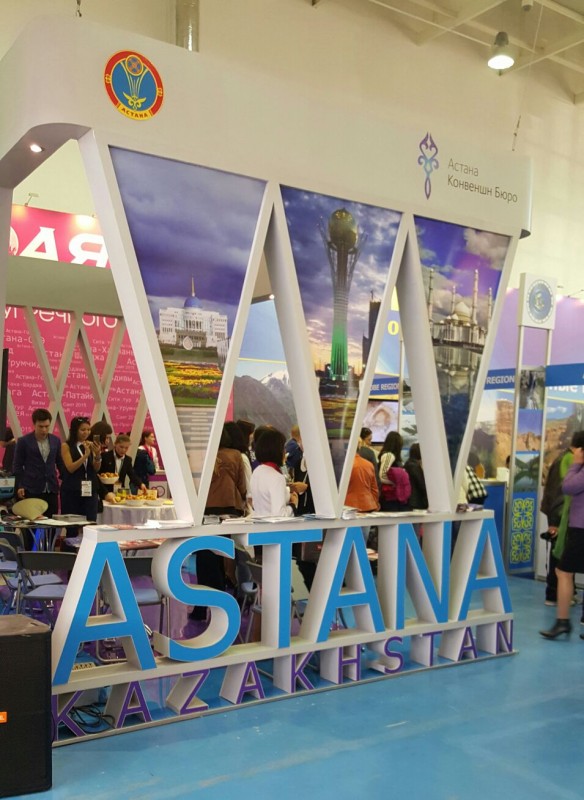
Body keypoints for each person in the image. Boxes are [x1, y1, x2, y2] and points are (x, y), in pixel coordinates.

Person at [191, 425, 248, 621]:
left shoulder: (201, 456)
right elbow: (242, 485)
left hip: (204, 511)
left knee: (204, 558)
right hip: (229, 511)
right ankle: (221, 606)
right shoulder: (235, 455)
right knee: (221, 558)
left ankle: (201, 607)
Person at [540, 430, 584, 639]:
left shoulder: (579, 467)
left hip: (581, 528)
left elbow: (568, 487)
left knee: (563, 571)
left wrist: (576, 464)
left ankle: (563, 621)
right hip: (578, 526)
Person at [12, 408, 63, 518]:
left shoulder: (56, 440)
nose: (44, 430)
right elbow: (17, 466)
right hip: (31, 488)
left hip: (51, 488)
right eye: (41, 426)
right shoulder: (24, 441)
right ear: (34, 424)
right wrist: (20, 485)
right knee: (33, 521)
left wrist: (65, 480)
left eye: (47, 426)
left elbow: (60, 463)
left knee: (52, 521)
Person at [60, 415, 102, 525]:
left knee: (90, 523)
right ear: (75, 430)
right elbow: (70, 468)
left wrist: (97, 454)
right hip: (72, 490)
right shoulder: (66, 446)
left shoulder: (90, 444)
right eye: (83, 430)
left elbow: (96, 468)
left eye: (88, 430)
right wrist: (85, 456)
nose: (86, 432)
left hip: (90, 489)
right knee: (72, 526)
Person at [250, 428, 298, 517]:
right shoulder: (276, 477)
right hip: (273, 525)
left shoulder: (257, 472)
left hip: (258, 522)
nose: (285, 451)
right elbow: (279, 515)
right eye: (283, 448)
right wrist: (293, 505)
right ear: (277, 450)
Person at [98, 434, 146, 501]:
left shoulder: (128, 460)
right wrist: (105, 493)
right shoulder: (105, 456)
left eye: (126, 448)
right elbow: (98, 476)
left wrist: (141, 484)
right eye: (121, 447)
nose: (123, 450)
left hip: (120, 492)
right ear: (115, 444)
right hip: (106, 492)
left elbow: (132, 475)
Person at [378, 431, 411, 512]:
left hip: (391, 496)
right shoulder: (389, 455)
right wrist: (397, 483)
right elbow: (382, 476)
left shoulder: (389, 456)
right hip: (390, 496)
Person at [404, 443, 428, 510]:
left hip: (410, 500)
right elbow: (422, 484)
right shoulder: (415, 466)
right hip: (417, 501)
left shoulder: (407, 464)